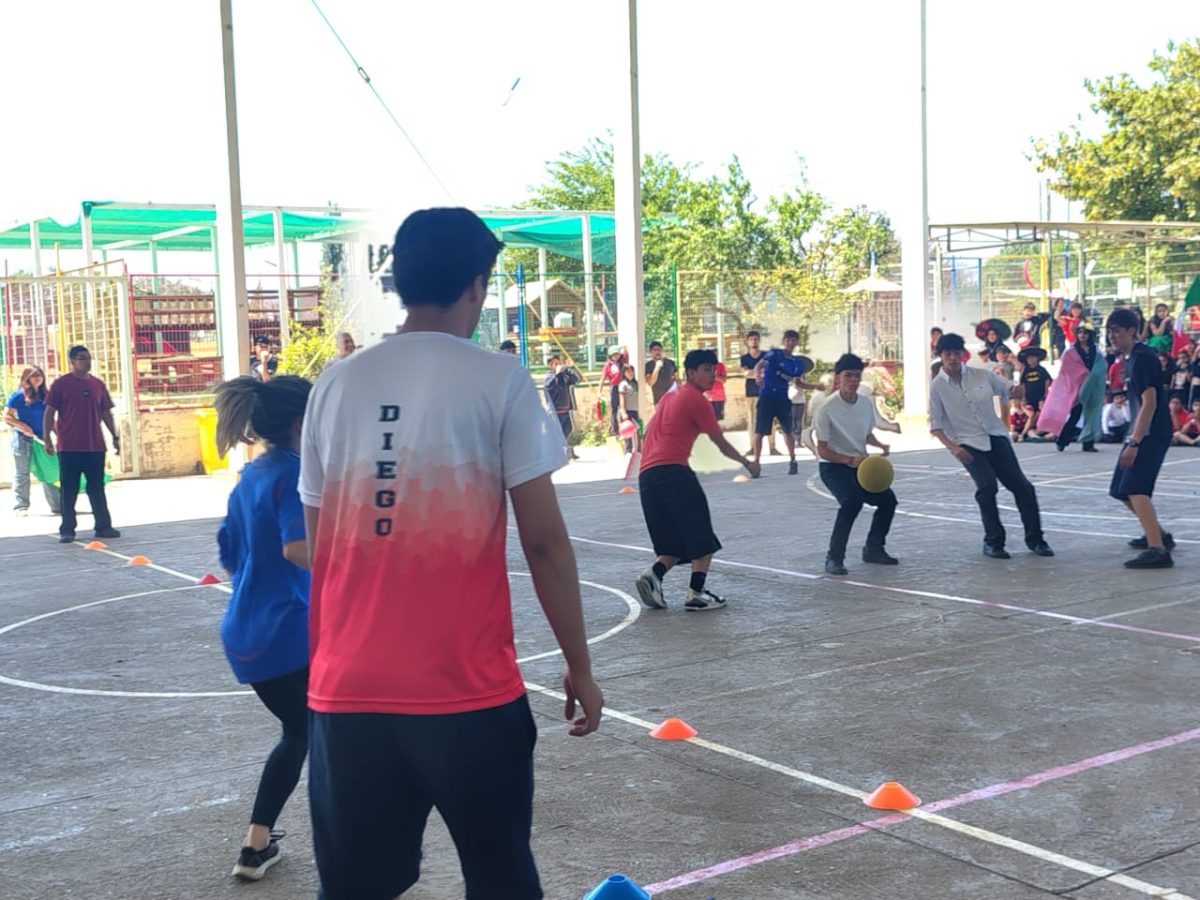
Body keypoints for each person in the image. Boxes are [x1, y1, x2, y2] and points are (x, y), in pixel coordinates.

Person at [298, 207, 602, 899]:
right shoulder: (498, 380)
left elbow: (324, 545)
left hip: (347, 693)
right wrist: (579, 665)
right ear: (477, 283)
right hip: (464, 692)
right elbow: (546, 541)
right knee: (500, 877)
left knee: (354, 889)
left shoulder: (334, 384)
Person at [214, 374, 313, 882]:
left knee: (300, 732)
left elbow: (230, 555)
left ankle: (256, 846)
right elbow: (297, 548)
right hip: (288, 631)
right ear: (302, 422)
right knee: (325, 733)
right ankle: (358, 847)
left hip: (246, 631)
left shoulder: (249, 476)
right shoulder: (295, 472)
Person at [634, 349, 760, 612]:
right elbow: (719, 442)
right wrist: (747, 463)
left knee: (674, 542)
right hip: (673, 472)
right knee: (702, 537)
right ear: (690, 373)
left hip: (647, 476)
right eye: (705, 369)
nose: (711, 373)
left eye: (713, 369)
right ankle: (696, 593)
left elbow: (648, 437)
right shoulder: (696, 399)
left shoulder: (669, 398)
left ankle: (652, 576)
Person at [929, 333, 1054, 559]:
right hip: (967, 444)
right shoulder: (937, 387)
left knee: (1023, 487)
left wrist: (1017, 390)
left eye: (957, 354)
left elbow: (1008, 388)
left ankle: (1036, 539)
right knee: (987, 487)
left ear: (963, 355)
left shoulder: (981, 375)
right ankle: (993, 541)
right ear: (941, 356)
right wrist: (953, 447)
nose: (953, 358)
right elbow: (936, 425)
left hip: (996, 436)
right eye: (948, 354)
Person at [813, 354, 897, 575]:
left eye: (857, 375)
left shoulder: (865, 404)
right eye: (848, 375)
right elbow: (822, 449)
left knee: (888, 501)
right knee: (851, 502)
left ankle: (874, 548)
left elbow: (866, 435)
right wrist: (848, 459)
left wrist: (880, 445)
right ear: (838, 378)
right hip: (833, 466)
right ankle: (834, 558)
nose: (853, 380)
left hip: (861, 465)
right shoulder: (826, 408)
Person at [1105, 308, 1174, 568]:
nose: (1112, 336)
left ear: (1132, 331)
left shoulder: (1143, 358)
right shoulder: (1129, 359)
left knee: (1135, 488)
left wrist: (1135, 441)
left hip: (1150, 433)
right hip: (1137, 430)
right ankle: (1160, 535)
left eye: (1117, 331)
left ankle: (1157, 550)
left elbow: (1150, 402)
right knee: (1120, 489)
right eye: (1110, 331)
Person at [43, 345, 121, 544]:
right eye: (82, 358)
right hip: (69, 446)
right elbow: (49, 413)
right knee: (69, 489)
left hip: (94, 446)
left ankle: (103, 526)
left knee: (96, 487)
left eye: (88, 358)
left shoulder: (97, 385)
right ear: (72, 361)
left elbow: (106, 412)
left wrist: (115, 436)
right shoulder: (61, 384)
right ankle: (67, 529)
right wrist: (48, 439)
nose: (87, 361)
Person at [752, 329, 819, 476]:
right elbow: (759, 365)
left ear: (796, 343)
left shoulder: (797, 363)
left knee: (788, 430)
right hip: (767, 397)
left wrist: (816, 386)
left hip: (783, 399)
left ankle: (793, 461)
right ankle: (756, 463)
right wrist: (758, 377)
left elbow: (799, 383)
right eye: (788, 340)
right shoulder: (774, 354)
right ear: (784, 341)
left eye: (793, 340)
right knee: (760, 432)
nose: (790, 342)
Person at [4, 365, 61, 516]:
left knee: (48, 469)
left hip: (42, 438)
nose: (38, 378)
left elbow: (51, 419)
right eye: (34, 375)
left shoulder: (46, 396)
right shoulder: (18, 396)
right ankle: (21, 506)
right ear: (26, 378)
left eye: (40, 375)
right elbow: (7, 416)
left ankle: (57, 505)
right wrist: (22, 426)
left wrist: (59, 434)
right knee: (22, 472)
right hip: (23, 439)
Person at [1041, 324, 1106, 452]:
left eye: (1085, 333)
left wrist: (1093, 375)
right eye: (1080, 332)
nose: (1082, 335)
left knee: (1092, 413)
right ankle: (1062, 440)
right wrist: (1083, 374)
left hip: (1093, 387)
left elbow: (1101, 366)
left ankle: (1088, 443)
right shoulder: (1071, 351)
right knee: (1075, 414)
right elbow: (1067, 369)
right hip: (1078, 387)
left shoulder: (1097, 350)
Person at [739, 331, 777, 455]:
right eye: (751, 339)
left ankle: (772, 447)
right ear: (747, 342)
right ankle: (753, 446)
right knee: (752, 421)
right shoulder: (744, 358)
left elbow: (769, 371)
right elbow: (745, 374)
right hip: (750, 392)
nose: (754, 341)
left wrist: (753, 373)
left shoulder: (766, 355)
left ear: (759, 340)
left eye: (756, 339)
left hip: (766, 391)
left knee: (770, 419)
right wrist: (759, 373)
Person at [542, 355, 582, 459]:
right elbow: (548, 386)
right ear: (550, 365)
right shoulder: (549, 376)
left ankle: (563, 449)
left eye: (558, 362)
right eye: (554, 363)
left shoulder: (564, 375)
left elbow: (577, 379)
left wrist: (571, 368)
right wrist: (557, 373)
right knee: (557, 432)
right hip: (555, 410)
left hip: (566, 409)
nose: (557, 365)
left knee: (567, 429)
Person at [1017, 347, 1052, 433]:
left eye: (1033, 357)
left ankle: (1040, 430)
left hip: (1039, 395)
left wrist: (1045, 395)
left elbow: (1047, 381)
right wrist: (1023, 397)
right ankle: (1026, 431)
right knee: (1030, 414)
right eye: (1029, 358)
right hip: (1029, 396)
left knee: (1040, 413)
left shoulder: (1041, 370)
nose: (1031, 360)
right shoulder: (1025, 370)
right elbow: (1022, 384)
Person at [601, 345, 627, 436]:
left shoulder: (622, 362)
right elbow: (603, 378)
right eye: (613, 355)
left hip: (622, 386)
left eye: (617, 354)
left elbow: (625, 352)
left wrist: (622, 347)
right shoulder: (608, 366)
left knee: (623, 407)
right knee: (614, 408)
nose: (616, 356)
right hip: (614, 387)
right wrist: (599, 391)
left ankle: (624, 427)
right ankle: (614, 429)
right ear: (610, 356)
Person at [645, 340, 678, 407]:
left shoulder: (670, 363)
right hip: (657, 401)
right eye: (655, 350)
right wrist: (657, 368)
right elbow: (650, 382)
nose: (657, 352)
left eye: (659, 350)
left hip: (671, 400)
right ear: (651, 352)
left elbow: (677, 379)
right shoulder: (648, 365)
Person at [618, 364, 641, 454]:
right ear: (624, 373)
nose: (631, 373)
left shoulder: (634, 384)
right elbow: (622, 399)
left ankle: (637, 450)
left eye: (632, 371)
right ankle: (628, 451)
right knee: (627, 432)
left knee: (638, 430)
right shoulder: (623, 384)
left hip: (635, 410)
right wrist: (623, 412)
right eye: (628, 372)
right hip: (627, 411)